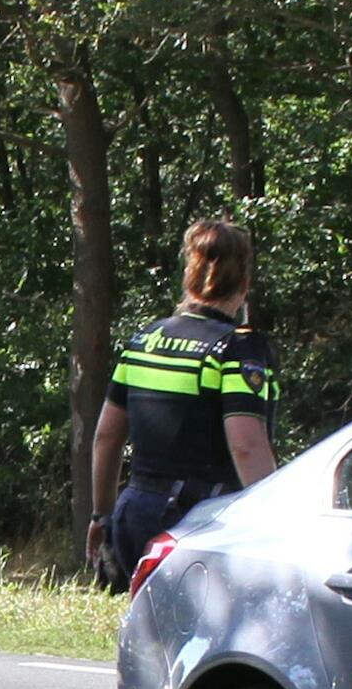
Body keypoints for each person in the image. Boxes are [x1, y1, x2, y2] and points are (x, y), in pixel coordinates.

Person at [87, 215, 281, 590]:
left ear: (188, 276)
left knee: (153, 637)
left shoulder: (145, 340)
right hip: (201, 519)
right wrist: (272, 524)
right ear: (244, 283)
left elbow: (107, 438)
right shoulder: (239, 348)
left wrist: (101, 515)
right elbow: (246, 445)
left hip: (134, 514)